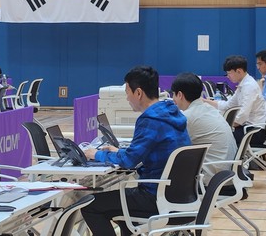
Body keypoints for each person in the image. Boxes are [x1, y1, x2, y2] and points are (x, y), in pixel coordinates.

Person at [81, 65, 191, 236]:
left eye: (127, 93)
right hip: (181, 197)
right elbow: (142, 152)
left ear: (138, 93)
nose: (127, 98)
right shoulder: (172, 114)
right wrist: (118, 152)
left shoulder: (150, 120)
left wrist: (96, 154)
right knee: (122, 213)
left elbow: (129, 161)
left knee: (90, 204)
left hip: (155, 197)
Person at [170, 72, 237, 182]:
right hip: (227, 173)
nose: (173, 99)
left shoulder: (188, 117)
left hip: (213, 178)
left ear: (180, 95)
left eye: (173, 94)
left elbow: (172, 146)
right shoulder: (209, 109)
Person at [203, 55, 266, 146]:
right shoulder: (243, 85)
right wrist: (204, 101)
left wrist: (223, 125)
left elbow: (242, 115)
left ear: (239, 71)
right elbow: (228, 105)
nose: (228, 77)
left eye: (229, 73)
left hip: (253, 131)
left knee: (217, 136)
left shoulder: (249, 86)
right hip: (247, 128)